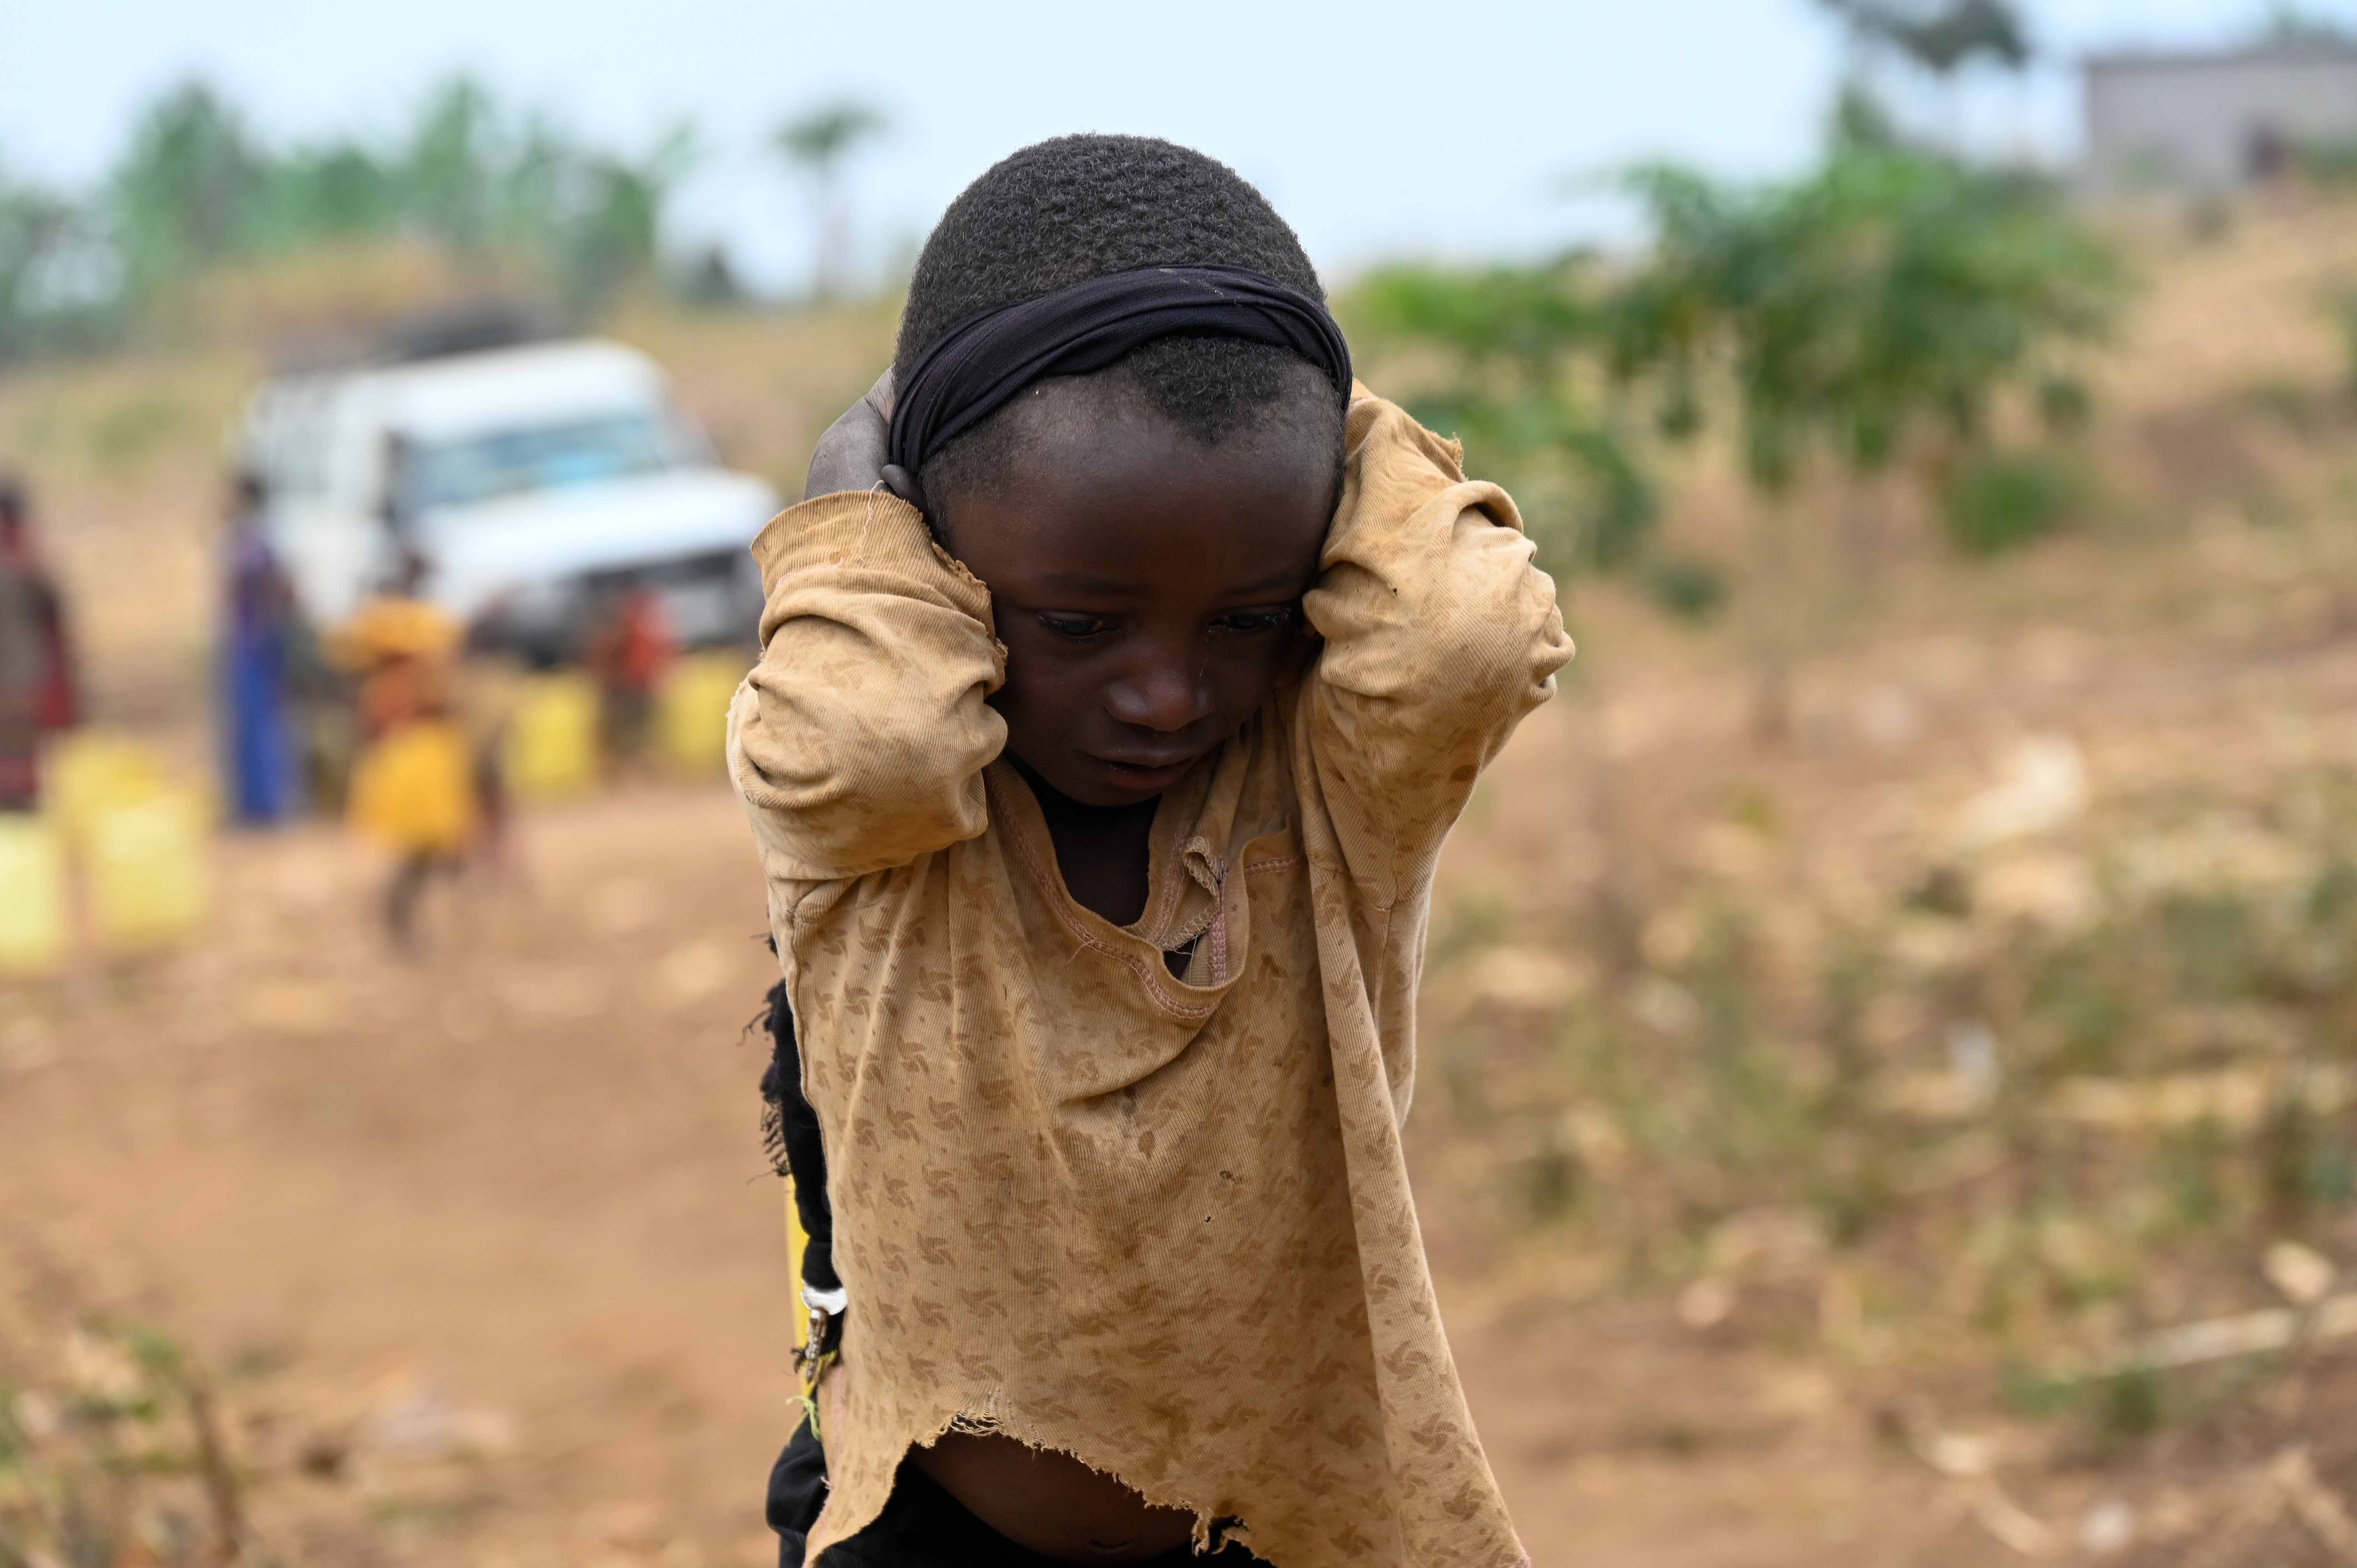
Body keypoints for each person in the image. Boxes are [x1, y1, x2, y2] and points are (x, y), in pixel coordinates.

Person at [732, 136, 1573, 1568]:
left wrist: (1316, 399)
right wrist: (852, 492)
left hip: (1284, 1532)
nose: (1166, 692)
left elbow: (1465, 642)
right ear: (929, 551)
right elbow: (879, 730)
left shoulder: (1319, 788)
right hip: (932, 1537)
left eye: (1241, 619)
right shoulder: (877, 821)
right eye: (1078, 624)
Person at [334, 550, 474, 952]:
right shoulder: (402, 636)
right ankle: (399, 920)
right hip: (414, 757)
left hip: (424, 753)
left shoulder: (401, 639)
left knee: (435, 847)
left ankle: (412, 916)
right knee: (421, 849)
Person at [220, 471, 304, 825]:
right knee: (249, 726)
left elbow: (278, 589)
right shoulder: (246, 539)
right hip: (249, 640)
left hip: (256, 641)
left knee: (263, 725)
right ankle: (255, 804)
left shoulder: (256, 543)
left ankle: (270, 804)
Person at [0, 478, 79, 813]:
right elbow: (58, 632)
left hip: (19, 686)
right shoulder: (29, 565)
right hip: (27, 685)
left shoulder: (27, 568)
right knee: (22, 771)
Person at [585, 582, 677, 777]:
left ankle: (638, 767)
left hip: (637, 686)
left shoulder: (639, 631)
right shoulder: (625, 631)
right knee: (626, 732)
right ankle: (624, 769)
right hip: (625, 688)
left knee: (640, 731)